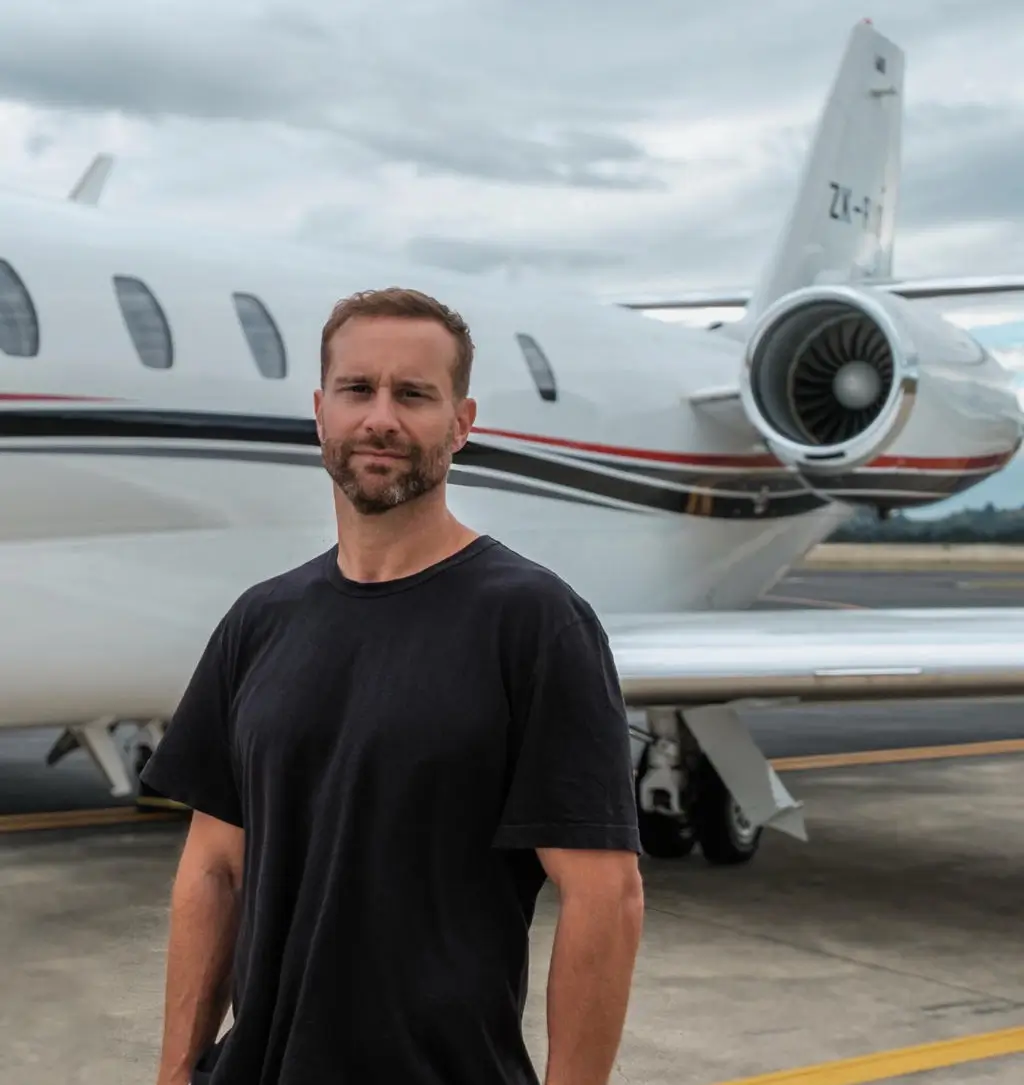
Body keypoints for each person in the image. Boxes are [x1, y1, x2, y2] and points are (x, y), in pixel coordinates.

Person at [141, 286, 645, 1085]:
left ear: (462, 422)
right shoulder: (261, 620)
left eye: (414, 394)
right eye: (357, 390)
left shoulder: (534, 621)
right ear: (321, 412)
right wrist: (175, 1072)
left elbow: (604, 896)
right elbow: (214, 866)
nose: (381, 418)